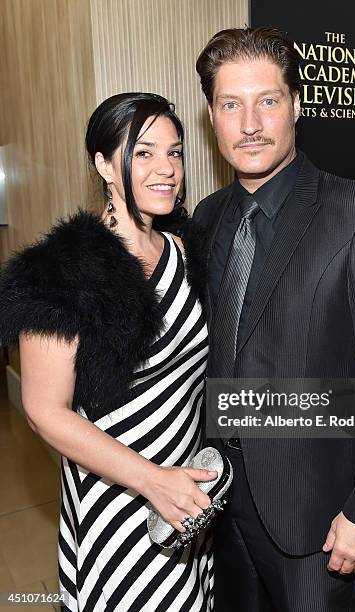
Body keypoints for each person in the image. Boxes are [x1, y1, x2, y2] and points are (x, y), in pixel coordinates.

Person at [193, 27, 355, 611]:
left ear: (296, 106)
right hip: (220, 509)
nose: (250, 122)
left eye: (267, 101)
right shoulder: (207, 216)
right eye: (232, 104)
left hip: (320, 520)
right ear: (211, 117)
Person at [0, 93, 217, 611]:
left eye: (176, 151)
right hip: (116, 503)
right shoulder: (61, 271)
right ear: (102, 163)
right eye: (143, 153)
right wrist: (151, 480)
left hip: (186, 497)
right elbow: (43, 412)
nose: (166, 168)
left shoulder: (185, 250)